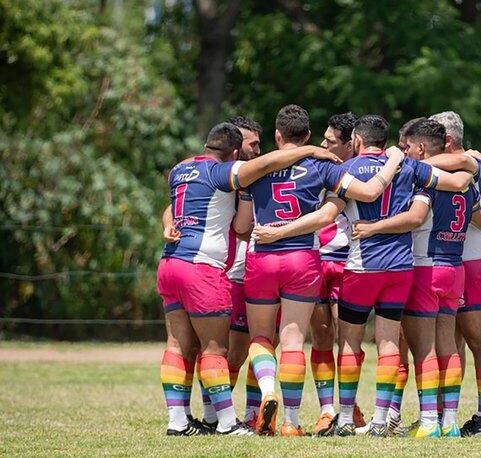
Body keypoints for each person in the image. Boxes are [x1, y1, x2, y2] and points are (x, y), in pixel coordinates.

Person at [233, 105, 406, 437]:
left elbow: (242, 225)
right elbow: (369, 192)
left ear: (277, 135)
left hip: (262, 258)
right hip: (303, 259)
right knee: (295, 341)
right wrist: (395, 160)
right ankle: (292, 422)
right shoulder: (321, 167)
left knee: (261, 338)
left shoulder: (253, 169)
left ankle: (268, 390)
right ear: (308, 136)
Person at [158, 121, 340, 436]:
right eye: (251, 145)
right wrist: (310, 151)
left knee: (181, 346)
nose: (257, 151)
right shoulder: (226, 172)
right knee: (218, 348)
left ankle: (181, 421)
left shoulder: (182, 169)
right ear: (233, 149)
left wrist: (167, 225)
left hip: (172, 262)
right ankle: (227, 423)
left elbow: (173, 204)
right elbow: (265, 170)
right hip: (208, 267)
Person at [353, 119, 481, 438]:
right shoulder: (463, 181)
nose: (403, 153)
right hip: (454, 269)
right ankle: (449, 424)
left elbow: (415, 217)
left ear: (421, 149)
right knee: (448, 346)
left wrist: (375, 227)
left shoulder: (423, 180)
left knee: (424, 350)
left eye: (407, 148)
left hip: (424, 268)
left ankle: (430, 422)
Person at [431, 111, 481, 437]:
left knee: (479, 339)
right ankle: (448, 418)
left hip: (475, 258)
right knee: (453, 339)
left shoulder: (466, 162)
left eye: (431, 141)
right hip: (463, 259)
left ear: (447, 141)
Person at [310, 112, 366, 436]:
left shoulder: (360, 175)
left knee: (348, 340)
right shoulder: (315, 167)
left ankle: (349, 404)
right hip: (316, 260)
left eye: (330, 141)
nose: (323, 144)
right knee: (321, 336)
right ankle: (326, 410)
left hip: (348, 261)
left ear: (350, 144)